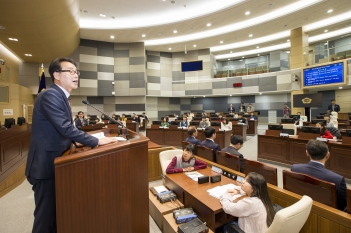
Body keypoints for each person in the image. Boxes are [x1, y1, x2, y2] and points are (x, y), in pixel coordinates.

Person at [25, 57, 117, 233]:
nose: (76, 75)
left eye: (77, 72)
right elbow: (65, 128)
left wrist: (79, 142)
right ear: (56, 75)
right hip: (45, 166)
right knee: (45, 221)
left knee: (55, 217)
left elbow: (62, 130)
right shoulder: (50, 95)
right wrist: (97, 141)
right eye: (71, 71)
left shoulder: (61, 96)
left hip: (55, 163)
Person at [291, 140, 346, 211]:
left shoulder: (295, 168)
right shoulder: (337, 179)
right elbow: (342, 207)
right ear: (328, 155)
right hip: (326, 217)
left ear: (307, 153)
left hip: (298, 209)